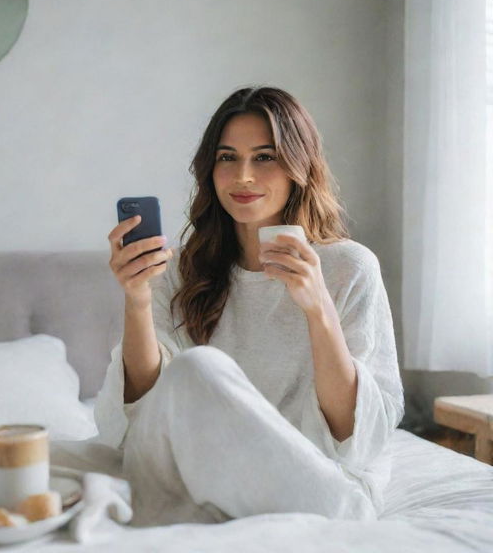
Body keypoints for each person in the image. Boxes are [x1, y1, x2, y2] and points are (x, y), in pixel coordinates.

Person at [94, 85, 405, 527]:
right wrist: (137, 298)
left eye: (264, 157)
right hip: (207, 469)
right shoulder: (183, 268)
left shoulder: (347, 266)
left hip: (322, 487)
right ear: (210, 169)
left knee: (198, 368)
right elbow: (144, 410)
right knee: (53, 459)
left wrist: (319, 310)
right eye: (227, 158)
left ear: (299, 165)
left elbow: (355, 434)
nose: (243, 176)